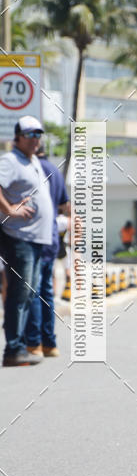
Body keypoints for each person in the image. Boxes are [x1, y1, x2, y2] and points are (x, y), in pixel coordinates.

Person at [0, 116, 54, 367]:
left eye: (38, 134)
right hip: (19, 237)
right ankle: (13, 348)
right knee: (20, 294)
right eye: (31, 134)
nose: (36, 139)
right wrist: (10, 209)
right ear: (18, 136)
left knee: (27, 293)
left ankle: (19, 345)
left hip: (34, 238)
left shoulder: (30, 160)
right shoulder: (11, 160)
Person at [24, 145, 70, 358]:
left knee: (32, 291)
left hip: (31, 237)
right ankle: (50, 344)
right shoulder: (55, 171)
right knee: (46, 291)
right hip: (50, 238)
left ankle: (34, 344)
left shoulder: (27, 168)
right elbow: (64, 205)